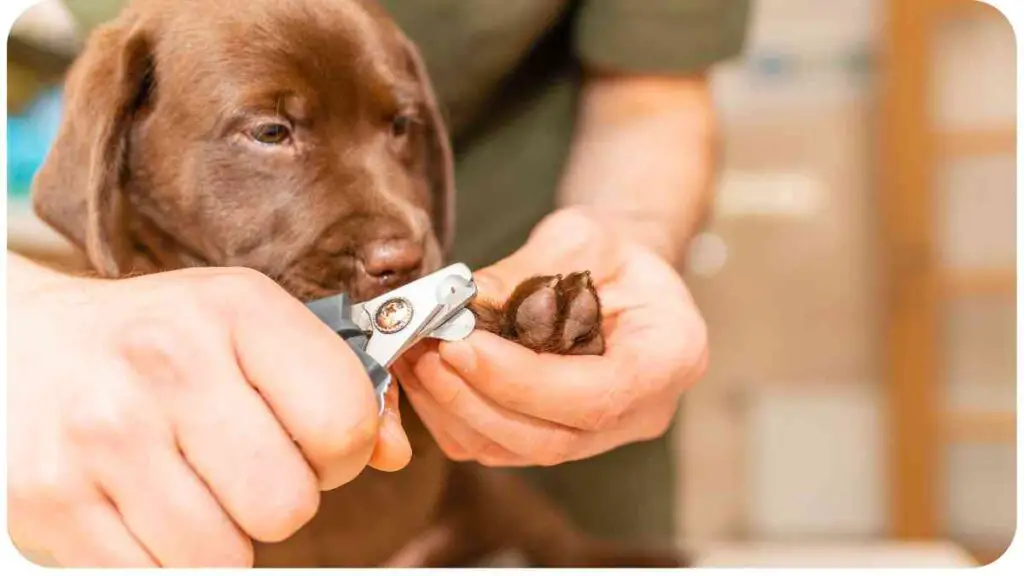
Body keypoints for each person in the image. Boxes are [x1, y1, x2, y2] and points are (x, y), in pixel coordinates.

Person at [8, 0, 750, 567]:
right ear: (116, 144)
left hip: (504, 442)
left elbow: (650, 98)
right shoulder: (101, 402)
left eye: (398, 128)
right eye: (272, 132)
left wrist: (620, 246)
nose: (397, 234)